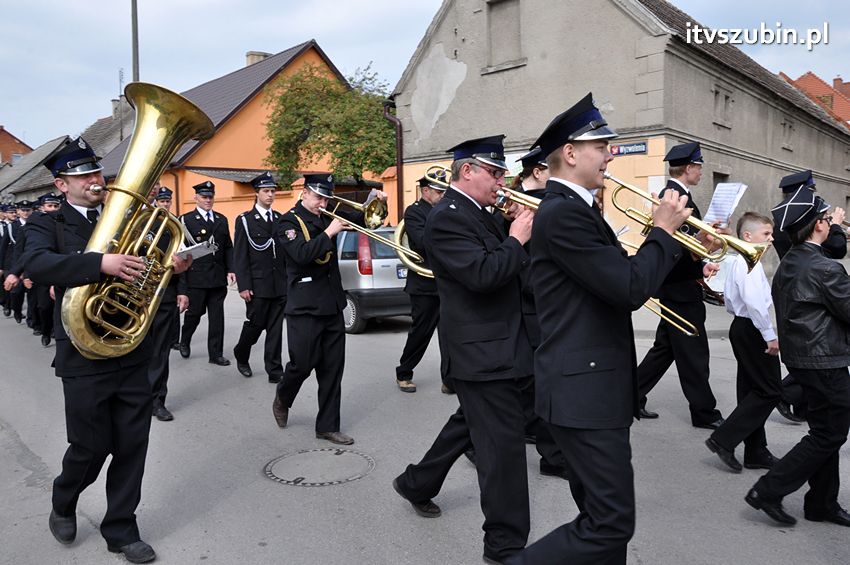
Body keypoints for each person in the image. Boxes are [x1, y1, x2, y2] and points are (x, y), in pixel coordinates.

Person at [506, 93, 689, 565]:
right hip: (583, 392)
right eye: (602, 145)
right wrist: (663, 233)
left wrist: (675, 251)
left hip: (588, 388)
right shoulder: (564, 211)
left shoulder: (578, 209)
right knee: (610, 524)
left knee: (599, 520)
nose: (611, 153)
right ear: (570, 153)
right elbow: (629, 288)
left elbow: (612, 275)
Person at [26, 137, 191, 563]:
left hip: (131, 348)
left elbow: (143, 275)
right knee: (88, 446)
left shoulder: (131, 219)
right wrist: (98, 263)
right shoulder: (49, 224)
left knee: (133, 444)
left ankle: (121, 529)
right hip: (82, 353)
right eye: (84, 177)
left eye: (97, 173)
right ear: (62, 185)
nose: (96, 182)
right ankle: (64, 499)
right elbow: (37, 264)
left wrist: (170, 268)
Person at [392, 135, 535, 563]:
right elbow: (482, 274)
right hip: (482, 353)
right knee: (504, 453)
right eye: (494, 172)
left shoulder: (480, 213)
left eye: (502, 173)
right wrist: (516, 238)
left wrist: (513, 230)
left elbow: (514, 270)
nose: (501, 180)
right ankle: (505, 545)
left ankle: (417, 483)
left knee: (469, 426)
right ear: (467, 171)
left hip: (500, 347)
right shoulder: (446, 218)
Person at [744, 187, 850, 528]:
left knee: (824, 430)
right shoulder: (825, 268)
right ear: (819, 225)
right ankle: (768, 490)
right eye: (826, 220)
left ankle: (821, 503)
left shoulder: (790, 259)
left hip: (803, 359)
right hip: (825, 360)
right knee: (828, 434)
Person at [272, 174, 386, 445]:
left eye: (326, 197)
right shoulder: (288, 222)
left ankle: (327, 426)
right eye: (319, 197)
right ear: (304, 193)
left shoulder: (327, 215)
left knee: (332, 369)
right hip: (305, 306)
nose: (323, 202)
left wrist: (377, 204)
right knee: (302, 364)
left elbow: (366, 221)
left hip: (333, 304)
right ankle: (283, 396)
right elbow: (301, 254)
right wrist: (330, 231)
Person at [635, 141, 724, 429]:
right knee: (694, 353)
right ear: (689, 168)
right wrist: (705, 244)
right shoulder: (674, 198)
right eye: (699, 166)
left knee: (666, 349)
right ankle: (704, 412)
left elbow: (684, 253)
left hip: (680, 285)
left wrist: (701, 264)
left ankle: (630, 396)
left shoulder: (678, 195)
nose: (700, 171)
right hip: (679, 289)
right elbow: (677, 250)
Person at [705, 212, 781, 472]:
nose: (771, 239)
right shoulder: (748, 262)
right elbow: (754, 303)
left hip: (742, 326)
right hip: (751, 328)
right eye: (766, 234)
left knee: (751, 390)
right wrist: (769, 333)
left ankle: (756, 451)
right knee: (771, 390)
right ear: (748, 236)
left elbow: (729, 298)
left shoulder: (742, 261)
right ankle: (724, 439)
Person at [771, 170, 846, 424]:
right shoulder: (821, 262)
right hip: (813, 305)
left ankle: (794, 402)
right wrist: (835, 226)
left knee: (823, 428)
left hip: (802, 300)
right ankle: (784, 396)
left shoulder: (787, 226)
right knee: (828, 432)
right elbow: (837, 249)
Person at [232, 172, 287, 383]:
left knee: (275, 329)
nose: (271, 195)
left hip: (279, 284)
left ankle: (274, 370)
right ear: (257, 193)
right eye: (266, 191)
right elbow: (240, 255)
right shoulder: (245, 220)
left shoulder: (280, 219)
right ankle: (242, 352)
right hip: (257, 284)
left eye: (273, 191)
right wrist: (243, 286)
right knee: (256, 325)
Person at [394, 174, 447, 393]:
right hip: (424, 284)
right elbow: (423, 242)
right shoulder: (414, 212)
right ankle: (404, 373)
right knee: (421, 332)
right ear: (426, 191)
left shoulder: (446, 209)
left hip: (446, 281)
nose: (443, 195)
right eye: (439, 192)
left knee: (450, 333)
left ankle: (450, 379)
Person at [177, 181, 235, 365]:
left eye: (211, 196)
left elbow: (227, 247)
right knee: (194, 314)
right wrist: (183, 285)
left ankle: (215, 354)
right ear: (196, 198)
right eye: (204, 197)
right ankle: (184, 340)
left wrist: (231, 269)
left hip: (217, 277)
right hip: (196, 277)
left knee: (217, 318)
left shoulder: (221, 219)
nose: (208, 200)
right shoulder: (185, 220)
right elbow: (181, 252)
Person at [147, 185, 189, 422]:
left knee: (160, 351)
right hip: (129, 294)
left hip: (164, 292)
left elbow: (178, 258)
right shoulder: (127, 217)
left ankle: (157, 400)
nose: (154, 193)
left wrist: (182, 291)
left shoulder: (171, 223)